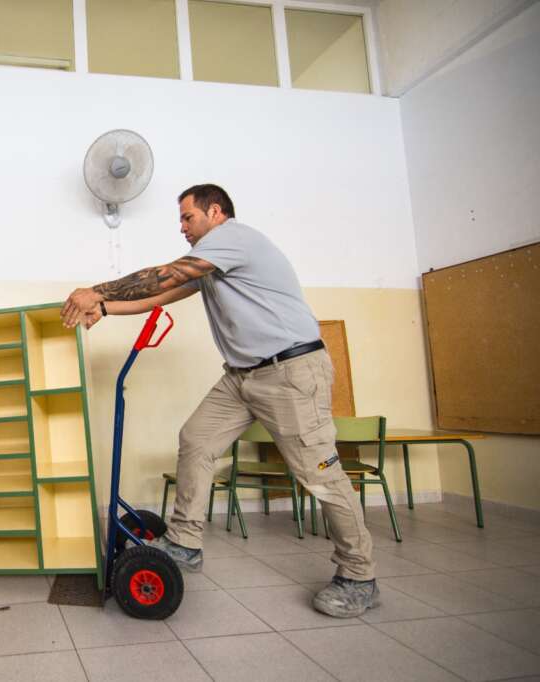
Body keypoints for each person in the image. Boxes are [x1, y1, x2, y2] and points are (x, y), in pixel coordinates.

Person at [61, 184, 379, 618]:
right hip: (242, 376)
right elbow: (162, 294)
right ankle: (185, 542)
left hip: (290, 371)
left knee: (320, 474)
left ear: (215, 212)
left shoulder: (234, 239)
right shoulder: (211, 263)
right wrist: (105, 309)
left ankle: (359, 576)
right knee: (196, 439)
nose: (182, 227)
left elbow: (166, 275)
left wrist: (96, 290)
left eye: (187, 217)